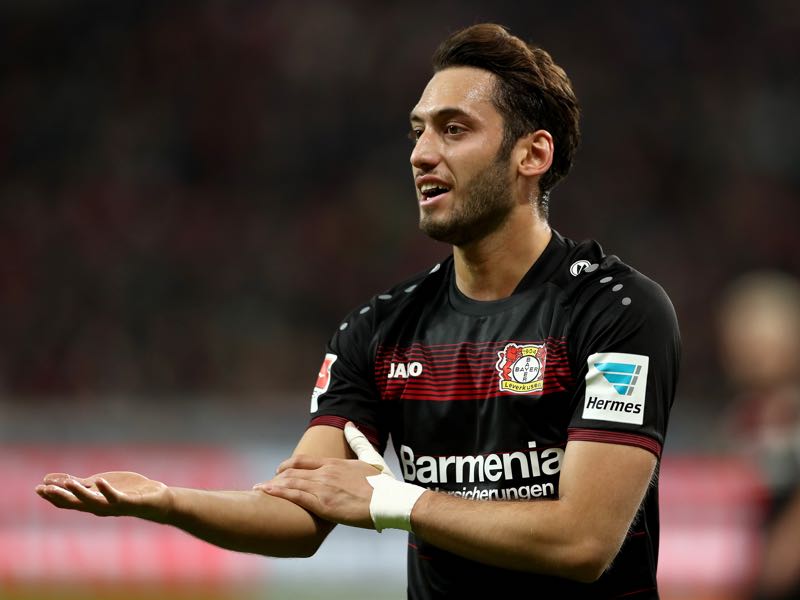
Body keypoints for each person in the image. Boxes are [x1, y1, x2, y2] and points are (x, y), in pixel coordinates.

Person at [36, 23, 681, 598]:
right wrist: (170, 501)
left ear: (531, 156)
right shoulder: (382, 329)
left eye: (454, 129)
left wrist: (394, 501)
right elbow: (302, 513)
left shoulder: (617, 311)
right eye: (418, 131)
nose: (422, 153)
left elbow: (583, 543)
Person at [717, 271, 800, 600]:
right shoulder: (737, 420)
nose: (752, 357)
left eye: (764, 344)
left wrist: (784, 551)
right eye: (742, 345)